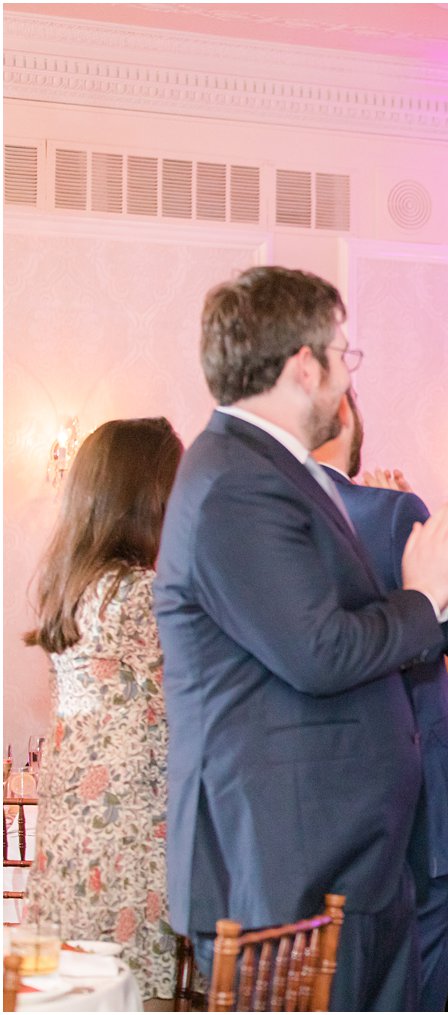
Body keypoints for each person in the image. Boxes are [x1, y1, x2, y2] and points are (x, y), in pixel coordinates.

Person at [154, 266, 448, 1010]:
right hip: (286, 862)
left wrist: (440, 590)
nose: (348, 375)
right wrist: (421, 594)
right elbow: (319, 651)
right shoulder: (235, 482)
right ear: (302, 365)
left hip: (335, 853)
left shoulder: (270, 474)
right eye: (342, 354)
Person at [312, 392, 448, 1010]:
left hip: (299, 820)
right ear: (347, 427)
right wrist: (440, 588)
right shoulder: (392, 516)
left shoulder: (241, 523)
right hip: (413, 813)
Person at [22, 418, 183, 1000]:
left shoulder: (76, 585)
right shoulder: (137, 594)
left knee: (69, 990)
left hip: (73, 829)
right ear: (149, 497)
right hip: (124, 839)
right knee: (131, 992)